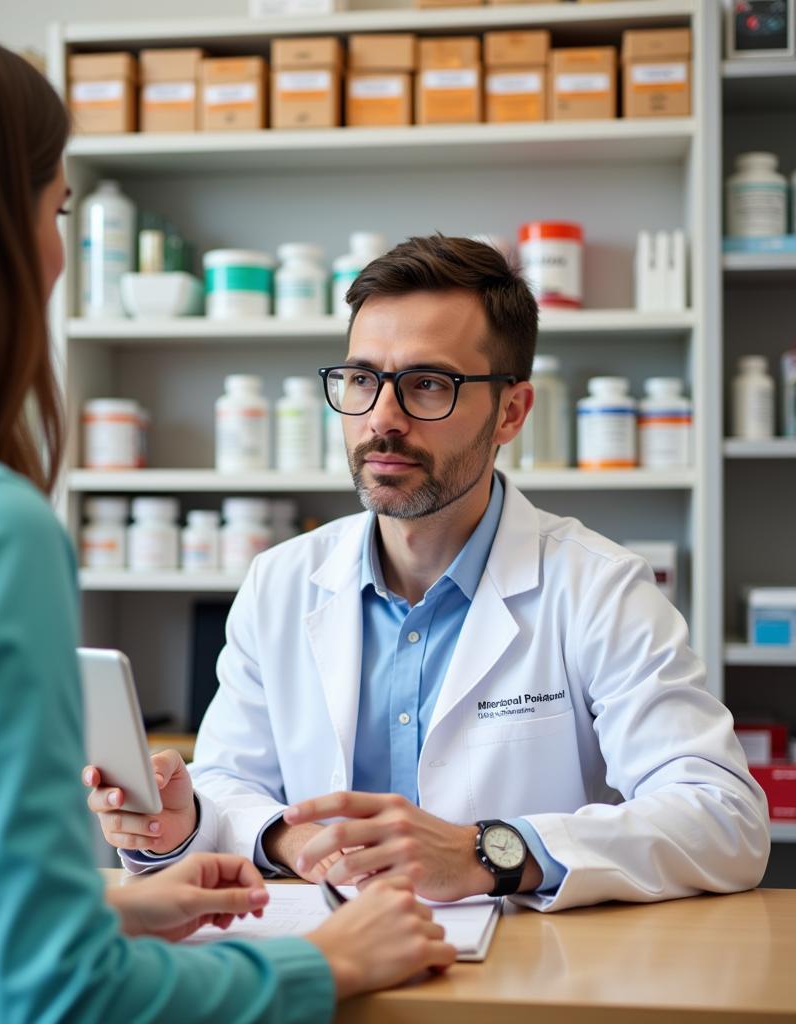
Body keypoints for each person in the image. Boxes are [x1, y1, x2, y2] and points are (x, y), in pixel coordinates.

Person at [0, 9, 457, 1022]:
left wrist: (108, 903)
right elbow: (54, 994)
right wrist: (331, 962)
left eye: (430, 384)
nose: (57, 261)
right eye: (55, 214)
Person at [88, 233, 770, 912]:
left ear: (511, 411)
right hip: (328, 964)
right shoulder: (281, 582)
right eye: (361, 379)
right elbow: (234, 785)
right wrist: (205, 827)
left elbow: (723, 819)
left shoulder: (599, 587)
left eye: (428, 385)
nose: (382, 420)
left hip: (527, 978)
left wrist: (489, 851)